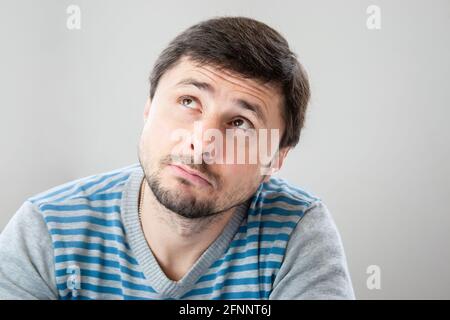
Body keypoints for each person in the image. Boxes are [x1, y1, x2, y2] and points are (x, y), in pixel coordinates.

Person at [0, 16, 355, 300]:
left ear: (275, 160)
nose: (200, 145)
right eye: (188, 102)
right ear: (149, 107)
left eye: (240, 123)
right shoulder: (47, 229)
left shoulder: (296, 232)